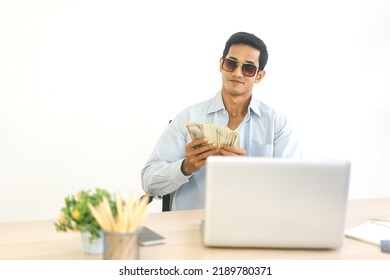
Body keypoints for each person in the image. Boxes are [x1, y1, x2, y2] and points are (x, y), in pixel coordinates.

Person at [141, 32, 301, 210]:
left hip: (255, 225)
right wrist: (185, 167)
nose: (237, 73)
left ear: (259, 76)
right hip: (193, 225)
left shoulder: (276, 124)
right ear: (221, 65)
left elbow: (293, 189)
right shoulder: (188, 117)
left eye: (248, 68)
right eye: (231, 64)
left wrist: (249, 173)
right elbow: (149, 182)